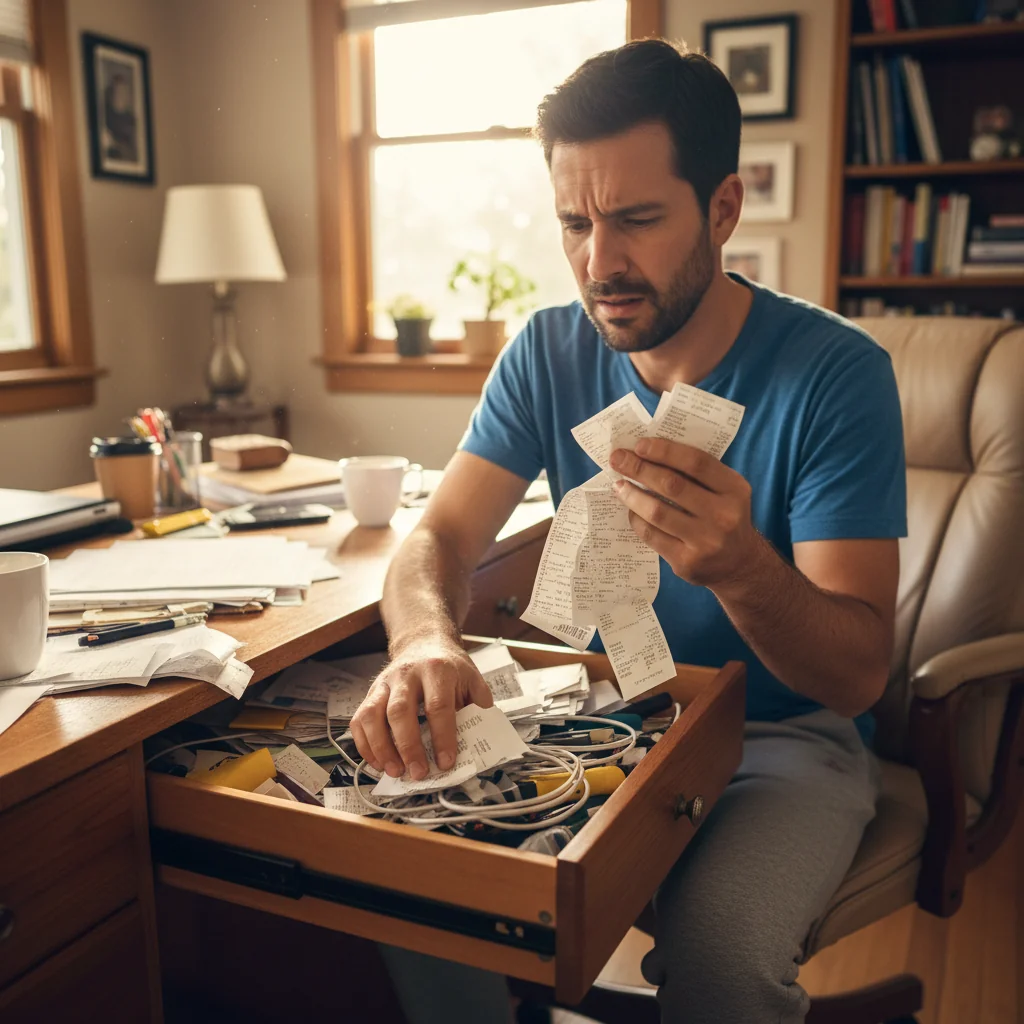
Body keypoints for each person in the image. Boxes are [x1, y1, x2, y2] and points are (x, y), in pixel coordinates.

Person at [351, 38, 906, 1024]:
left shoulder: (837, 373)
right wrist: (425, 638)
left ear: (722, 209)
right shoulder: (547, 350)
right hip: (604, 715)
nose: (598, 264)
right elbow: (435, 540)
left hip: (781, 739)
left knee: (721, 955)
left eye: (637, 220)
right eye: (574, 222)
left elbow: (858, 674)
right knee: (401, 872)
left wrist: (741, 567)